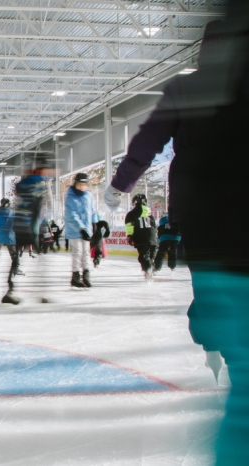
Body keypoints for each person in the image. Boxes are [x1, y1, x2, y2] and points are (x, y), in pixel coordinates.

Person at [103, 12, 249, 462]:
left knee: (214, 293)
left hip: (205, 222)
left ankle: (214, 344)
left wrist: (118, 185)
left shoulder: (187, 87)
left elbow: (147, 141)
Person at [4, 154, 52, 305]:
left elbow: (19, 192)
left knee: (16, 259)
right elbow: (37, 207)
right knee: (41, 261)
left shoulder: (24, 182)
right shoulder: (39, 183)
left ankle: (9, 291)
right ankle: (41, 294)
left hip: (19, 225)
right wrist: (37, 228)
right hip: (29, 225)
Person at [64, 173, 97, 288]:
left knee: (86, 253)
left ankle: (86, 275)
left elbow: (92, 211)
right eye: (79, 184)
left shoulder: (89, 196)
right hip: (75, 230)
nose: (82, 187)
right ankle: (75, 277)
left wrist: (95, 223)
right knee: (77, 253)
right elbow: (71, 215)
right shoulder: (70, 197)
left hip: (87, 230)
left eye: (84, 185)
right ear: (75, 184)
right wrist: (81, 228)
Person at [125, 194, 158, 282]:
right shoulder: (150, 214)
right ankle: (150, 269)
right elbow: (154, 227)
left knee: (143, 257)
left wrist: (130, 236)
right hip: (153, 238)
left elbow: (129, 226)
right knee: (150, 257)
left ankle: (148, 269)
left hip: (141, 237)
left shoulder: (131, 214)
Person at [0, 198, 17, 276]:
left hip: (0, 235)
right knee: (13, 253)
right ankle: (15, 268)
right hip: (10, 236)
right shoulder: (12, 214)